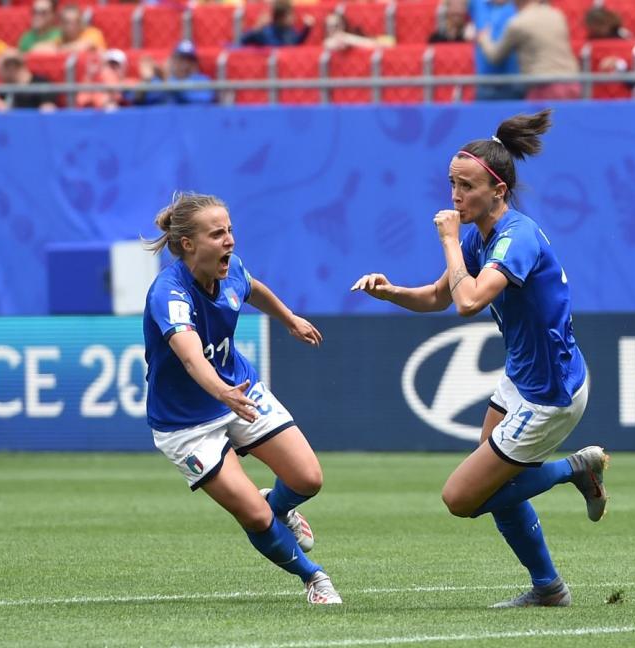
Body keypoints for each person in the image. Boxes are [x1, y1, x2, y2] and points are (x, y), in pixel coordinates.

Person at [351, 109, 608, 608]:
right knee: (494, 478)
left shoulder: (516, 238)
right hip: (523, 376)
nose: (454, 197)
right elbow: (438, 296)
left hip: (550, 393)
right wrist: (391, 292)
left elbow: (469, 301)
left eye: (465, 186)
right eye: (451, 184)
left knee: (462, 498)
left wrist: (448, 240)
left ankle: (577, 470)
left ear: (499, 191)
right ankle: (549, 588)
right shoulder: (479, 234)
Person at [143, 192, 342, 606]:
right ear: (187, 245)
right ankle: (315, 580)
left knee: (308, 479)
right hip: (187, 422)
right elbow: (191, 357)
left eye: (230, 230)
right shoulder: (169, 293)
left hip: (239, 389)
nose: (230, 240)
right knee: (252, 514)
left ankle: (279, 503)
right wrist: (220, 392)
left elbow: (253, 288)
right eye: (218, 234)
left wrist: (289, 319)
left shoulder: (230, 270)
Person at [477, 0, 581, 100]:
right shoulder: (557, 15)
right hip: (573, 85)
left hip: (543, 88)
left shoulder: (518, 23)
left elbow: (495, 57)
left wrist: (483, 39)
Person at [131, 41, 215, 106]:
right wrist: (146, 80)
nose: (184, 65)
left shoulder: (201, 80)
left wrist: (169, 82)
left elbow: (205, 99)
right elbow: (137, 100)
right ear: (172, 61)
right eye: (180, 60)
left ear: (195, 64)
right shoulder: (161, 80)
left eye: (189, 60)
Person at [240, 0, 313, 47]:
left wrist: (306, 29)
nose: (294, 18)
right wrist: (257, 28)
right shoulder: (266, 32)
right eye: (290, 15)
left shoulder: (289, 30)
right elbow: (242, 41)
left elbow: (295, 44)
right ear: (281, 18)